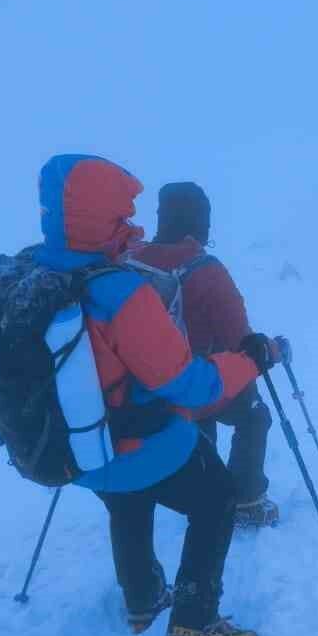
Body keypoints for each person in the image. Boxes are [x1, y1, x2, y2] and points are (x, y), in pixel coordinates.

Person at [33, 153, 277, 636]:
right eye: (120, 214)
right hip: (141, 435)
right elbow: (190, 387)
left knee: (126, 496)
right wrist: (254, 360)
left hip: (79, 444)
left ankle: (142, 601)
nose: (131, 223)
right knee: (216, 496)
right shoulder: (118, 289)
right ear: (99, 215)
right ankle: (194, 624)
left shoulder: (37, 273)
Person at [130, 181, 282, 530]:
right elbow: (242, 344)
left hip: (138, 389)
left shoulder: (131, 261)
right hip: (191, 382)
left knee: (200, 413)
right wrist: (273, 349)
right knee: (253, 413)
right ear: (201, 223)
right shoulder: (206, 269)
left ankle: (200, 481)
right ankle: (247, 499)